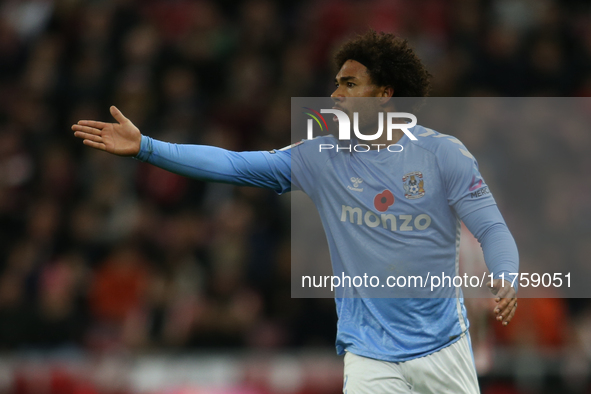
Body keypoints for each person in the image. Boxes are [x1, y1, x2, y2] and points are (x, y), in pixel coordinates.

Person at [73, 30, 518, 394]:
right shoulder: (321, 156)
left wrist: (505, 274)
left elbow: (491, 227)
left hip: (442, 348)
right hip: (369, 354)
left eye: (349, 84)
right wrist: (147, 148)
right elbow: (235, 164)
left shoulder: (443, 155)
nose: (334, 94)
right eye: (336, 82)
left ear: (384, 95)